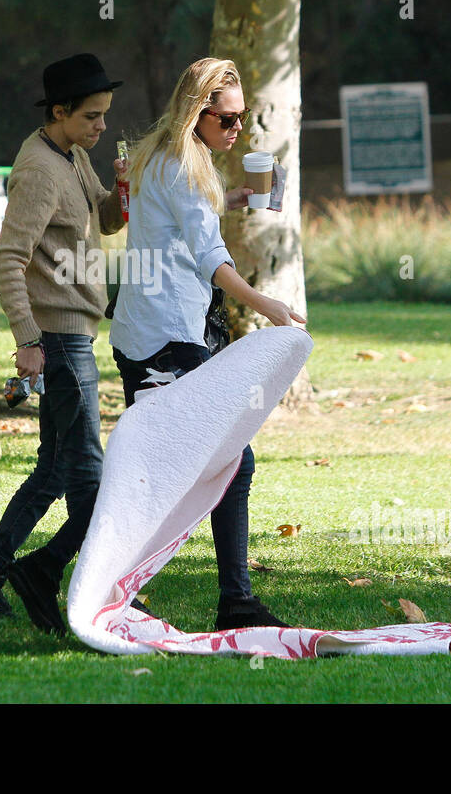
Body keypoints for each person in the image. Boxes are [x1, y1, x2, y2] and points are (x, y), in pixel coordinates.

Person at [110, 57, 307, 630]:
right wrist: (262, 302)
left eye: (243, 119)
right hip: (167, 336)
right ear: (198, 113)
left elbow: (185, 221)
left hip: (145, 330)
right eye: (226, 119)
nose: (237, 130)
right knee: (228, 462)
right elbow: (207, 254)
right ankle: (231, 600)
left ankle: (123, 588)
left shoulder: (168, 157)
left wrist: (240, 198)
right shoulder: (180, 165)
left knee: (167, 466)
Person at [0, 53, 128, 633]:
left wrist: (120, 193)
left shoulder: (71, 154)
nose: (101, 125)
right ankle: (85, 586)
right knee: (89, 476)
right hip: (59, 340)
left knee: (55, 471)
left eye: (104, 114)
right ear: (60, 112)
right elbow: (6, 259)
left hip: (74, 335)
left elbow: (101, 221)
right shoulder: (38, 171)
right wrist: (28, 341)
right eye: (92, 116)